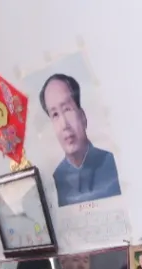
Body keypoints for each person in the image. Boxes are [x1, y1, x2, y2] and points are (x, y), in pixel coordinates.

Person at [40, 73, 121, 206]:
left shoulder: (112, 163)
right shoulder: (56, 180)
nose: (64, 124)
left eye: (67, 109)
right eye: (55, 114)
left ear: (82, 116)